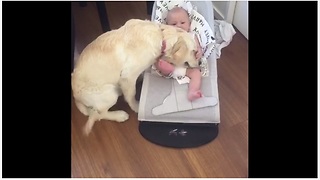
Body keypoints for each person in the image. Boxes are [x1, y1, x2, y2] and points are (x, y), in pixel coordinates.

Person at [154, 7, 203, 101]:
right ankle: (167, 69)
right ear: (167, 26)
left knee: (196, 73)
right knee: (158, 62)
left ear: (189, 23)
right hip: (171, 63)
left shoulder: (192, 35)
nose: (179, 26)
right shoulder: (168, 35)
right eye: (174, 24)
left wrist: (199, 52)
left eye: (183, 23)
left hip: (186, 66)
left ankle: (193, 91)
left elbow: (198, 47)